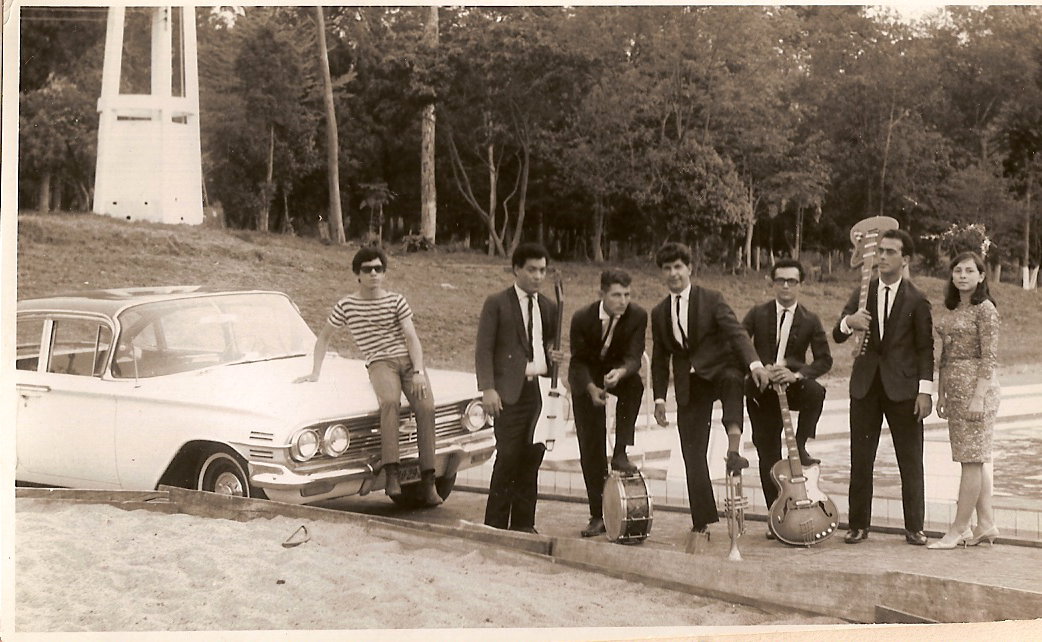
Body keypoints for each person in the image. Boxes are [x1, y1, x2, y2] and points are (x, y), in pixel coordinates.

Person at [296, 247, 443, 506]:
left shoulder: (396, 301)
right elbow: (324, 338)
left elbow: (411, 337)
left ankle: (429, 481)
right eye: (367, 269)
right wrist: (315, 372)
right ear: (358, 274)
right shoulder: (347, 305)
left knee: (426, 406)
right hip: (380, 363)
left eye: (378, 269)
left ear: (384, 273)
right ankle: (392, 472)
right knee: (389, 402)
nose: (374, 274)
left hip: (409, 362)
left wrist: (419, 371)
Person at [650, 242, 771, 542]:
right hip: (690, 382)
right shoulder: (660, 312)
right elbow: (659, 358)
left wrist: (755, 364)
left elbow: (736, 333)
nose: (673, 273)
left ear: (690, 268)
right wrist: (659, 398)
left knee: (733, 380)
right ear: (662, 273)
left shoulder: (712, 299)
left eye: (678, 267)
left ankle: (734, 448)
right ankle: (702, 520)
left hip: (720, 370)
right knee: (692, 451)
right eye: (667, 268)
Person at [833, 228, 934, 545]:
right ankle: (858, 525)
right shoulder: (864, 291)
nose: (883, 257)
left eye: (890, 252)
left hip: (903, 389)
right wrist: (849, 322)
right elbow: (837, 332)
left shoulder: (917, 299)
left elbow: (925, 349)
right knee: (861, 459)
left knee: (910, 460)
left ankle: (914, 527)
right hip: (865, 387)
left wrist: (925, 391)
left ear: (905, 259)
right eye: (880, 251)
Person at [476, 242, 564, 533]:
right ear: (516, 269)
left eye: (542, 270)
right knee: (508, 458)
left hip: (539, 392)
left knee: (532, 458)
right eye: (532, 270)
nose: (538, 276)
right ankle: (495, 527)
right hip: (508, 393)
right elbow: (484, 349)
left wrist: (554, 355)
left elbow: (548, 344)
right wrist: (488, 389)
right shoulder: (497, 303)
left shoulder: (549, 307)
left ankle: (524, 526)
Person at [742, 259, 833, 526]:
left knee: (816, 391)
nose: (785, 286)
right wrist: (757, 367)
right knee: (767, 452)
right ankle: (777, 516)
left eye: (791, 281)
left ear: (800, 284)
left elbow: (825, 360)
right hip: (762, 388)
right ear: (772, 283)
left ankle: (801, 443)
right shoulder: (757, 313)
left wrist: (797, 374)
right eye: (780, 280)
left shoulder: (810, 319)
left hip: (792, 385)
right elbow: (739, 342)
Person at [928, 251, 1001, 549]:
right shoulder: (954, 310)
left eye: (969, 271)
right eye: (958, 270)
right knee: (973, 458)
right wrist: (942, 392)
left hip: (977, 392)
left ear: (981, 276)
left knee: (971, 460)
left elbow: (989, 357)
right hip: (956, 392)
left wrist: (978, 397)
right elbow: (945, 358)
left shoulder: (985, 310)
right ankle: (985, 523)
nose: (962, 276)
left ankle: (959, 528)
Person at [568, 269, 648, 538]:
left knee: (635, 384)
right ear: (601, 294)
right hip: (587, 379)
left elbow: (635, 355)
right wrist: (591, 388)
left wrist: (622, 372)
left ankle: (621, 451)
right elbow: (577, 361)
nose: (623, 301)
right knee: (591, 446)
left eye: (627, 294)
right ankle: (597, 515)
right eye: (616, 295)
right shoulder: (582, 317)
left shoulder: (637, 315)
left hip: (617, 372)